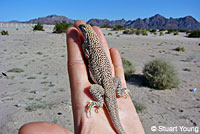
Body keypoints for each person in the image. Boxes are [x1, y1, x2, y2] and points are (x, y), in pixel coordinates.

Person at [19, 20, 145, 134]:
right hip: (110, 84)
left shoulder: (88, 45)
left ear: (86, 33)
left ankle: (100, 102)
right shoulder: (97, 44)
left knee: (91, 89)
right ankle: (120, 91)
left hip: (103, 88)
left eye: (83, 29)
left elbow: (86, 54)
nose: (81, 29)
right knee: (117, 79)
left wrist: (100, 100)